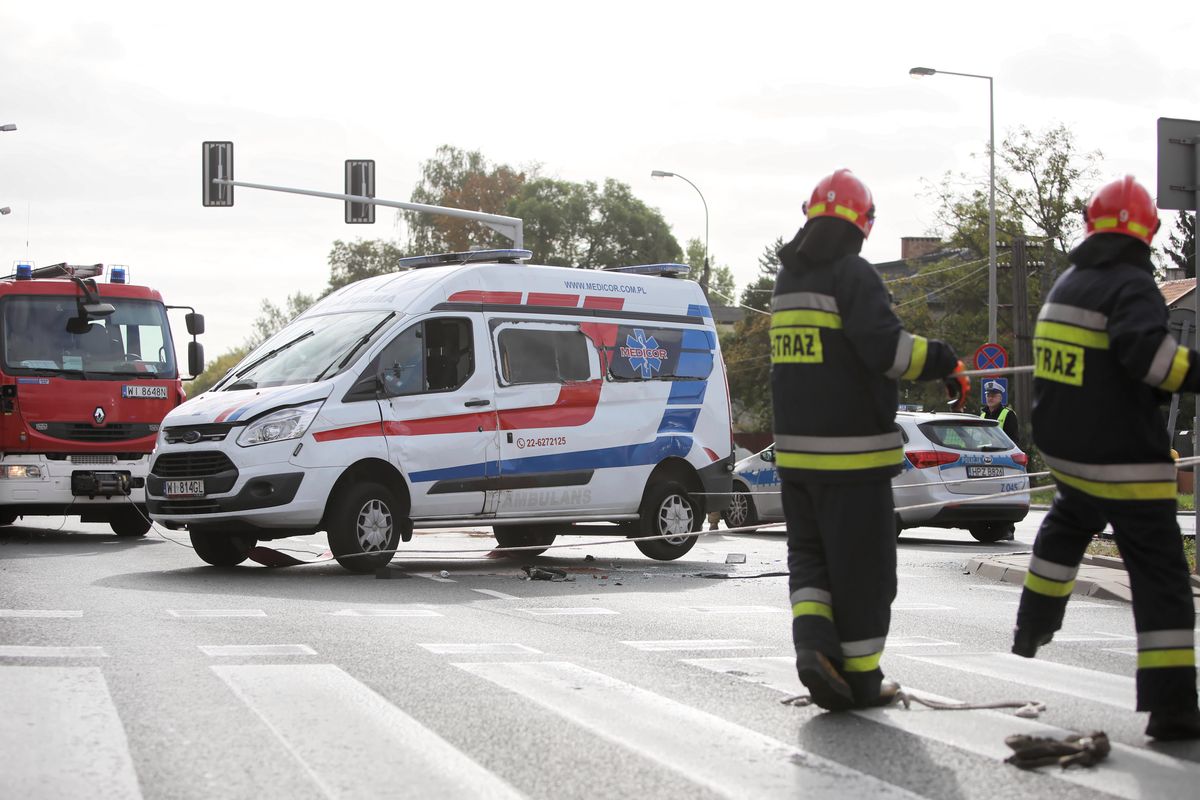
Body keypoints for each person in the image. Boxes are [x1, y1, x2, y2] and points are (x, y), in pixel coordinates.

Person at [771, 169, 969, 711]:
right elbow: (890, 352)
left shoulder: (788, 282)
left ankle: (813, 648)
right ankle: (861, 680)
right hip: (853, 462)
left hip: (797, 461)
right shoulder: (852, 275)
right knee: (865, 573)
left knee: (811, 563)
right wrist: (947, 360)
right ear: (864, 225)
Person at [1012, 175, 1200, 741]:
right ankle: (1172, 711)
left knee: (1066, 528)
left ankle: (1033, 625)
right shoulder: (1133, 286)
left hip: (1070, 455)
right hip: (1125, 457)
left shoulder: (1068, 284)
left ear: (1092, 226)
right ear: (1149, 230)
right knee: (1162, 579)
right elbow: (1153, 361)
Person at [980, 380, 1021, 449]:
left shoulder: (1008, 414)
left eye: (993, 396)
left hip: (1002, 454)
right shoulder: (982, 415)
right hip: (983, 453)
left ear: (1000, 398)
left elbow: (1014, 440)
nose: (990, 398)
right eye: (988, 395)